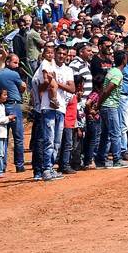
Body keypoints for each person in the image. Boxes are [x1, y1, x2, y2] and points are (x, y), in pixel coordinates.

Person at [39, 44, 74, 181]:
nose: (61, 56)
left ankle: (51, 168)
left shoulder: (68, 70)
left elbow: (72, 88)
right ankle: (46, 169)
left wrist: (57, 84)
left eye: (64, 54)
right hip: (48, 107)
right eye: (59, 53)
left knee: (57, 141)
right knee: (49, 139)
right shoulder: (48, 65)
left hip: (61, 108)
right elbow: (41, 84)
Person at [96, 50, 128, 169]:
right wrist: (98, 104)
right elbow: (107, 90)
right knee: (116, 133)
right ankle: (117, 160)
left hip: (107, 106)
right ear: (124, 60)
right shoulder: (117, 73)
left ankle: (100, 160)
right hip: (110, 106)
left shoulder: (112, 71)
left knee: (106, 134)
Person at [0, 53, 27, 173]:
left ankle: (2, 166)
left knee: (4, 137)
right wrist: (22, 88)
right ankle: (19, 165)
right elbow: (22, 87)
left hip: (2, 106)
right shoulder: (14, 74)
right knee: (18, 137)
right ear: (8, 62)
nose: (17, 65)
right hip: (13, 105)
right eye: (15, 62)